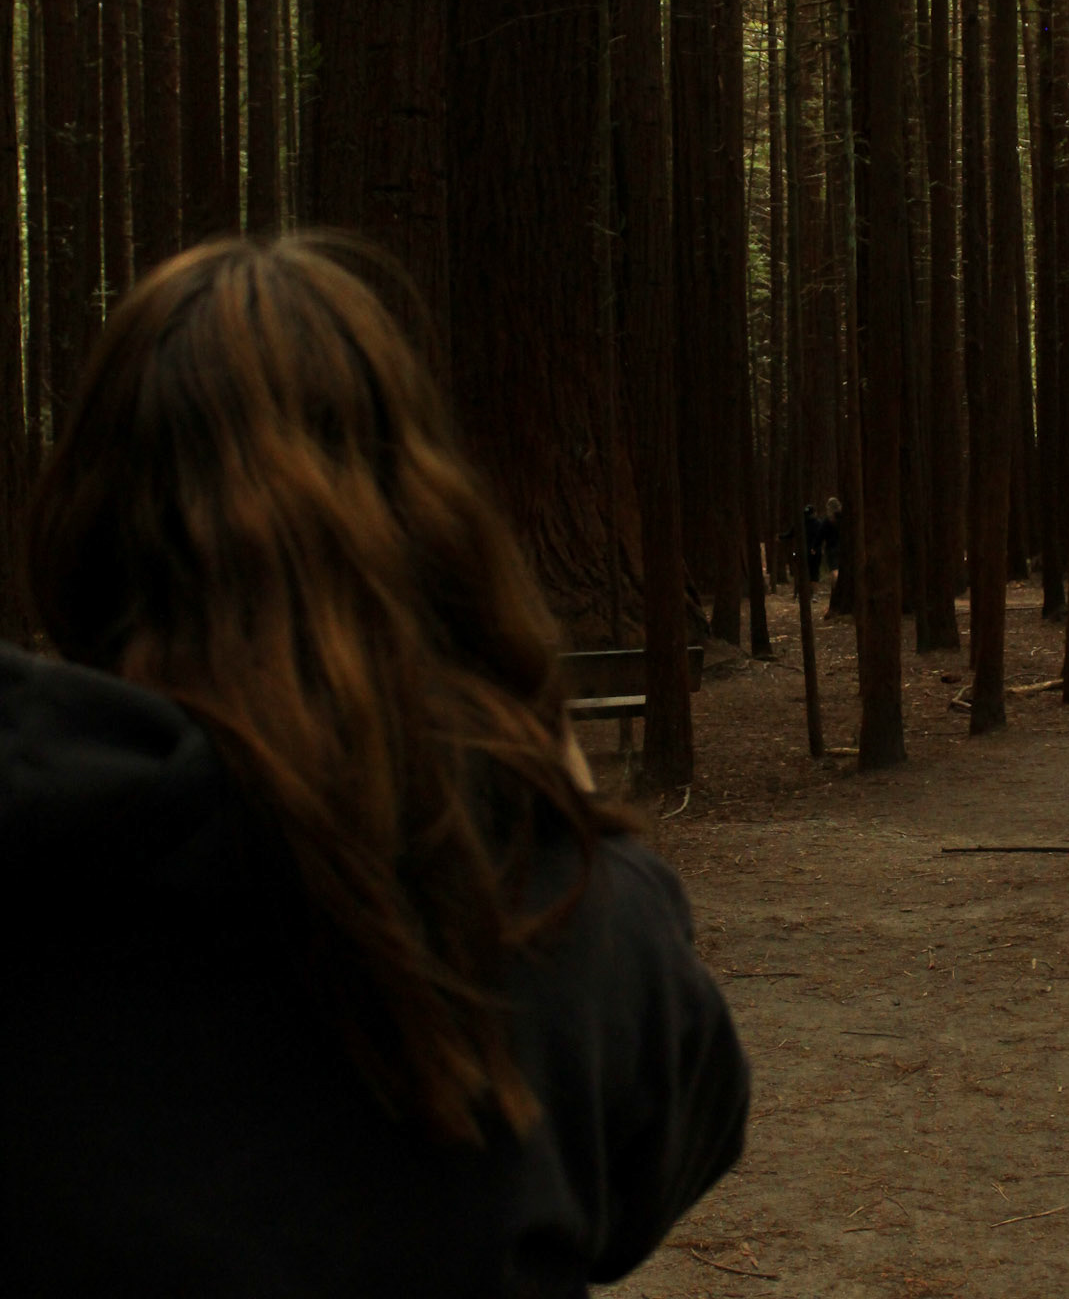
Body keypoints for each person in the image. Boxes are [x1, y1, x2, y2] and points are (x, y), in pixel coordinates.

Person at [0, 234, 748, 1298]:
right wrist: (562, 808)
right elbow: (662, 1152)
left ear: (86, 518)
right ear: (421, 512)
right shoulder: (560, 912)